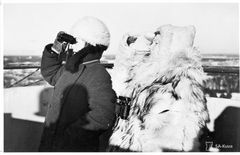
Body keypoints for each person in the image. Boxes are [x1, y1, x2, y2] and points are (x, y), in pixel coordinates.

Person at [38, 16, 117, 152]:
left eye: (76, 41)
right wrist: (55, 50)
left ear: (89, 44)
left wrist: (69, 135)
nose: (72, 46)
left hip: (70, 146)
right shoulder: (71, 69)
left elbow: (103, 115)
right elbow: (51, 73)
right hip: (53, 142)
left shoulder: (98, 74)